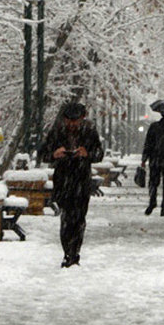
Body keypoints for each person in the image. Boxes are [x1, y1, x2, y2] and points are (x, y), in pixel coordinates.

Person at [43, 102, 104, 268]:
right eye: (69, 121)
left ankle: (74, 252)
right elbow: (44, 153)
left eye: (75, 121)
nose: (72, 124)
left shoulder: (89, 133)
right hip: (63, 180)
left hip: (81, 180)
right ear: (64, 120)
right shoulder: (57, 133)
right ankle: (67, 253)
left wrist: (87, 153)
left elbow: (99, 154)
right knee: (67, 217)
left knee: (79, 218)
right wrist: (55, 154)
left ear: (82, 119)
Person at [141, 112, 164, 216]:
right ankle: (163, 207)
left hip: (157, 159)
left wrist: (144, 159)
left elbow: (148, 143)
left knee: (154, 183)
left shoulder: (154, 127)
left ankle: (153, 202)